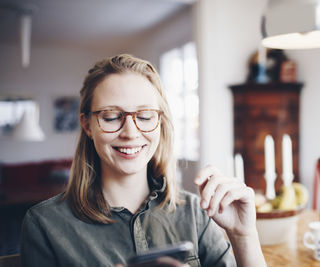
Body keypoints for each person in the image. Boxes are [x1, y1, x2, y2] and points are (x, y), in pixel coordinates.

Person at [20, 54, 267, 267]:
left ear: (159, 122)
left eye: (146, 116)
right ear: (87, 125)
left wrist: (243, 235)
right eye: (111, 116)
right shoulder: (44, 225)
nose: (130, 132)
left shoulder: (194, 213)